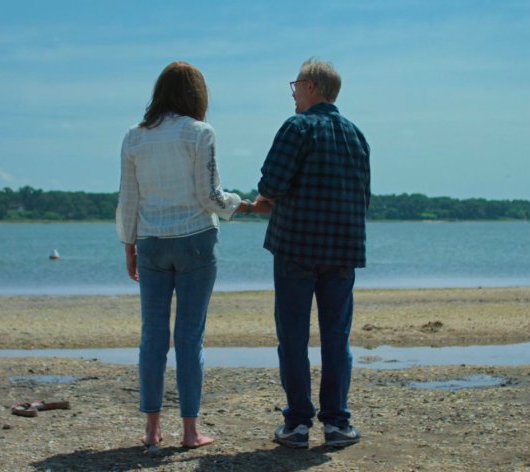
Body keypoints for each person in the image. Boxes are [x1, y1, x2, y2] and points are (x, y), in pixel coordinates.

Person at [116, 61, 254, 449]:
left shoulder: (134, 137)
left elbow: (129, 198)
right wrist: (240, 204)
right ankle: (191, 432)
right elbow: (209, 196)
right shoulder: (199, 133)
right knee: (190, 338)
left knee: (152, 338)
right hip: (195, 240)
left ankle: (151, 430)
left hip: (151, 242)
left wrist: (129, 242)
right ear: (196, 95)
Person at [255, 58, 370, 449]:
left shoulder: (297, 127)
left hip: (296, 247)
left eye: (295, 85)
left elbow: (272, 182)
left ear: (311, 87)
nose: (292, 92)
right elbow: (362, 197)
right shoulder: (356, 135)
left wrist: (264, 199)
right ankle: (336, 422)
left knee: (293, 338)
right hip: (343, 250)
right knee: (336, 338)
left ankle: (299, 424)